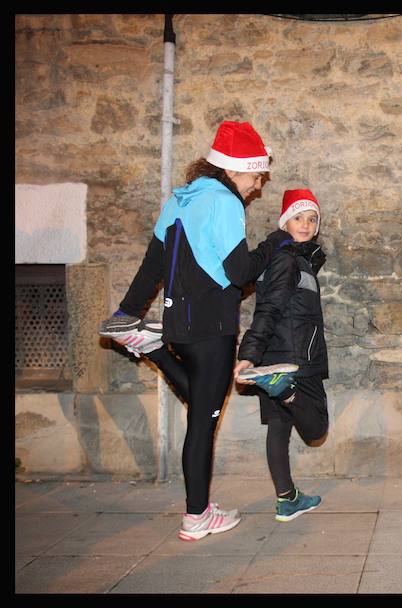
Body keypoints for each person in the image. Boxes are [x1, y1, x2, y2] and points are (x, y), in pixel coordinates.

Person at [97, 120, 285, 540]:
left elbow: (152, 263)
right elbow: (239, 273)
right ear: (235, 170)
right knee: (203, 421)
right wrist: (276, 241)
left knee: (199, 404)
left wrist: (128, 311)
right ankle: (196, 516)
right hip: (212, 325)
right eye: (256, 176)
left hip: (177, 324)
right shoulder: (226, 203)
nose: (257, 187)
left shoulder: (181, 198)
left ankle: (150, 345)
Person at [232, 188, 329, 523]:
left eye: (311, 218)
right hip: (297, 357)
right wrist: (249, 351)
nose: (305, 224)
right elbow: (269, 308)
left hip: (276, 355)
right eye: (298, 217)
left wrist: (255, 356)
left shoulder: (287, 257)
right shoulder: (288, 259)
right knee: (316, 427)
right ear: (284, 221)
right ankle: (284, 389)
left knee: (279, 426)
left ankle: (287, 499)